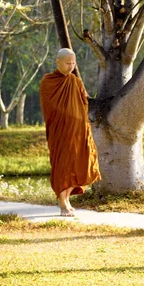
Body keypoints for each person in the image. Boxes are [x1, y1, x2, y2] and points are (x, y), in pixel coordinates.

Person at [40, 48, 101, 217]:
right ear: (58, 62)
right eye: (68, 63)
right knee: (63, 166)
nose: (71, 66)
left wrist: (80, 122)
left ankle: (67, 199)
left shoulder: (75, 81)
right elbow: (50, 107)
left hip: (78, 131)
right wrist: (69, 116)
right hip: (60, 131)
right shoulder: (48, 81)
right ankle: (62, 204)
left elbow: (83, 103)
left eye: (73, 63)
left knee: (77, 164)